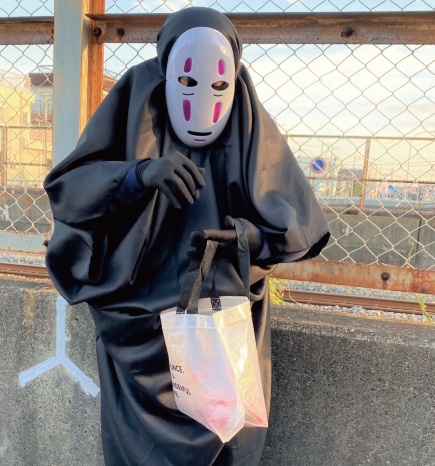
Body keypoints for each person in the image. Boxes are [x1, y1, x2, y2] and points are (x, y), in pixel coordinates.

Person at [44, 7, 330, 466]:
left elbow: (293, 225)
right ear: (166, 72)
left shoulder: (247, 120)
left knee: (228, 437)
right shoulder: (137, 97)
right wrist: (138, 175)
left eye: (218, 86)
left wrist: (244, 238)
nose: (203, 103)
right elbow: (72, 192)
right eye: (188, 82)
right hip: (139, 326)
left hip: (223, 322)